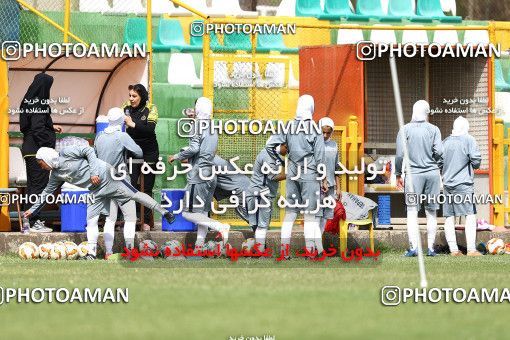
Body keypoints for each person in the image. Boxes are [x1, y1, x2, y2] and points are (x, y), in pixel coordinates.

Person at [23, 145, 175, 260]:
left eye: (40, 162)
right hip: (96, 190)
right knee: (91, 220)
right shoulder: (55, 174)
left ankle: (164, 212)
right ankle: (91, 253)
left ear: (47, 158)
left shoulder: (66, 153)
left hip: (107, 177)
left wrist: (94, 172)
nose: (40, 166)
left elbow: (89, 151)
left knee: (135, 195)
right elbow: (46, 192)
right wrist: (33, 210)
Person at [266, 95, 326, 258]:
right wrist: (323, 178)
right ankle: (310, 251)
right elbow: (320, 157)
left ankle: (284, 251)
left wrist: (280, 160)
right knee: (310, 214)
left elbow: (270, 145)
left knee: (291, 212)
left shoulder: (288, 126)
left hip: (292, 173)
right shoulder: (315, 128)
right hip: (310, 174)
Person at [168, 97, 230, 249]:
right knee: (202, 213)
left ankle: (220, 227)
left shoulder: (197, 126)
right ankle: (199, 246)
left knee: (186, 213)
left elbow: (194, 148)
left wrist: (177, 156)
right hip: (210, 174)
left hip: (198, 176)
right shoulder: (212, 127)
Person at [396, 100, 443, 257]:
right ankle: (430, 248)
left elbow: (399, 155)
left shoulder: (405, 129)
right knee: (431, 212)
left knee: (412, 211)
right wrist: (436, 165)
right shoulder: (434, 129)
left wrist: (397, 174)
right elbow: (439, 152)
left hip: (413, 175)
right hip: (432, 174)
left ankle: (413, 248)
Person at [95, 107, 143, 258]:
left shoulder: (99, 136)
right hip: (121, 182)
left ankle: (109, 252)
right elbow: (139, 152)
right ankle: (129, 251)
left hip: (104, 182)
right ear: (122, 120)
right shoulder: (122, 136)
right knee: (130, 218)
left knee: (110, 219)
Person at [19, 73, 62, 233]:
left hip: (29, 149)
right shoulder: (39, 103)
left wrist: (51, 127)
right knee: (39, 188)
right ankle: (35, 220)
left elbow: (31, 125)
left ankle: (28, 222)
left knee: (33, 187)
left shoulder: (28, 101)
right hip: (38, 150)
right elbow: (37, 129)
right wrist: (48, 146)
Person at [441, 116, 483, 256]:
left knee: (449, 216)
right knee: (470, 215)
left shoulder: (445, 142)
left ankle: (453, 250)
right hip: (463, 184)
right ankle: (471, 249)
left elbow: (439, 162)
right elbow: (476, 162)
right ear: (466, 128)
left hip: (447, 184)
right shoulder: (469, 139)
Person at [122, 84, 159, 231]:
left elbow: (150, 130)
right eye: (130, 95)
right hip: (131, 151)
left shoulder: (151, 108)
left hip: (149, 152)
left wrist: (132, 124)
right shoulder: (125, 107)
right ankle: (131, 219)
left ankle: (145, 221)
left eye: (134, 96)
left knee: (147, 187)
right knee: (130, 185)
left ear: (142, 96)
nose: (131, 99)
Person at [246, 138, 287, 251]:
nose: (287, 150)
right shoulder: (269, 156)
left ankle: (256, 248)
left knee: (257, 224)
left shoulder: (272, 156)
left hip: (257, 193)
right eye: (286, 147)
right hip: (261, 194)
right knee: (262, 225)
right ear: (279, 145)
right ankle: (260, 250)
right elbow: (273, 177)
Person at [317, 117, 342, 235]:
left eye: (328, 132)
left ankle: (319, 244)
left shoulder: (334, 145)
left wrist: (339, 187)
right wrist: (323, 181)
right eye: (323, 132)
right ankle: (314, 245)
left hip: (331, 186)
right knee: (317, 214)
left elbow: (337, 167)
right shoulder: (315, 145)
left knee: (326, 215)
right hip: (317, 185)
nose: (325, 135)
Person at [213, 155, 251, 223]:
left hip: (241, 190)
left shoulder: (207, 161)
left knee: (251, 220)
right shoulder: (213, 158)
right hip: (248, 186)